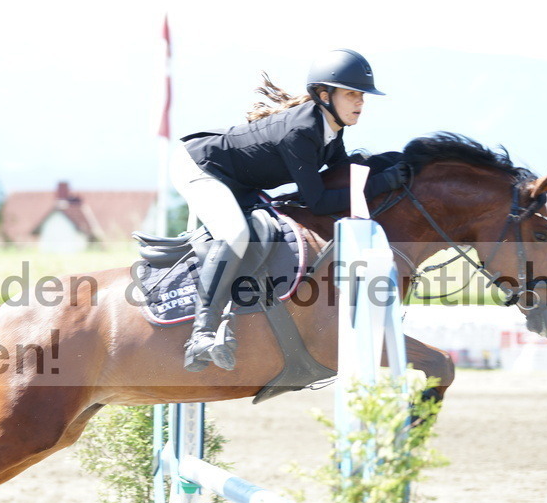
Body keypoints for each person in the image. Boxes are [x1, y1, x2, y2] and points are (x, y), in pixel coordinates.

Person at [171, 48, 401, 372]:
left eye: (362, 95)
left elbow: (342, 174)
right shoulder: (302, 132)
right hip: (200, 166)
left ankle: (232, 316)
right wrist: (381, 184)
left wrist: (390, 168)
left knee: (265, 229)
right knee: (235, 233)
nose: (360, 102)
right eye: (352, 94)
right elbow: (318, 202)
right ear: (324, 95)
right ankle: (202, 334)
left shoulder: (331, 128)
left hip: (238, 179)